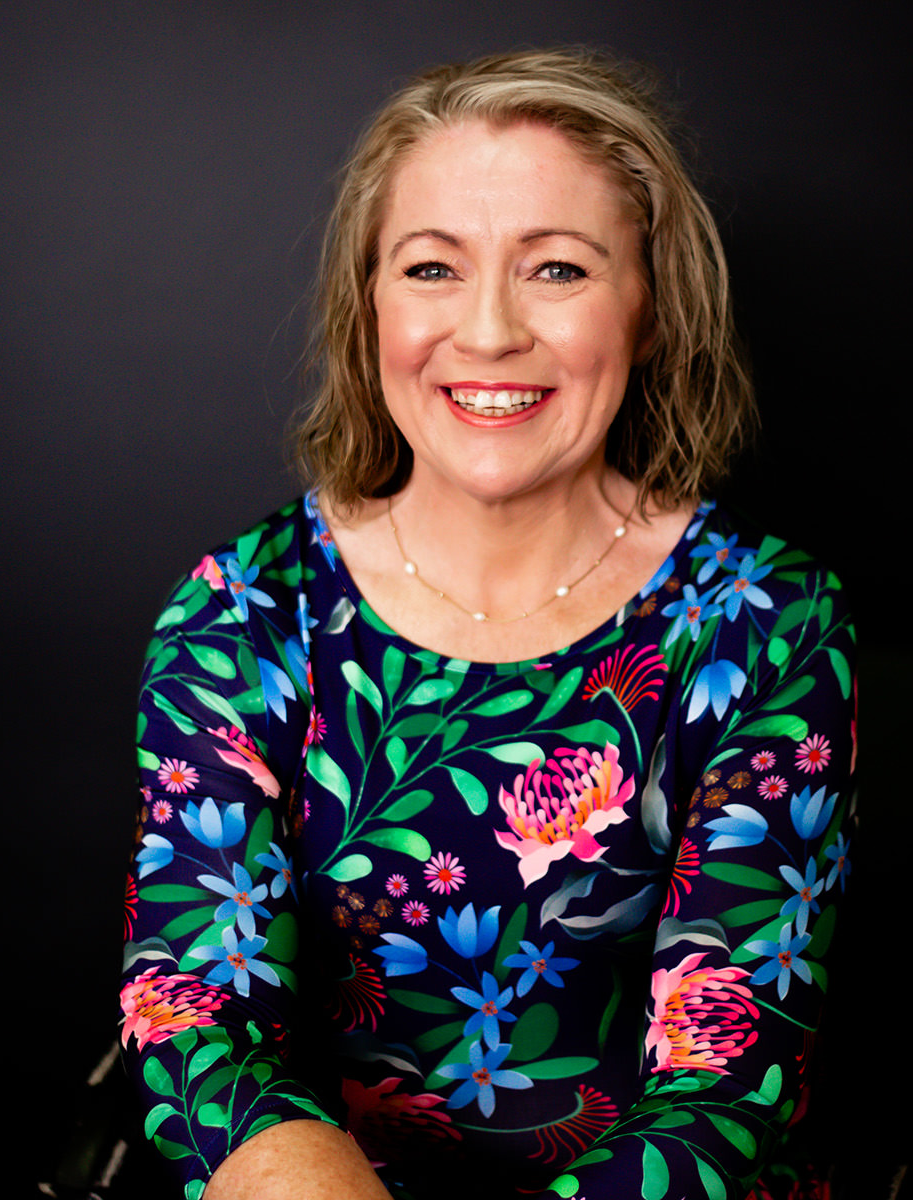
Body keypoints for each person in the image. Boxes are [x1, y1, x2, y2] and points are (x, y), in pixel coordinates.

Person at [120, 49, 856, 1200]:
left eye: (557, 267)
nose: (491, 330)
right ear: (370, 303)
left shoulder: (767, 623)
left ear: (651, 310)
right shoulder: (243, 610)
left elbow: (725, 1081)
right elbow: (197, 1023)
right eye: (432, 268)